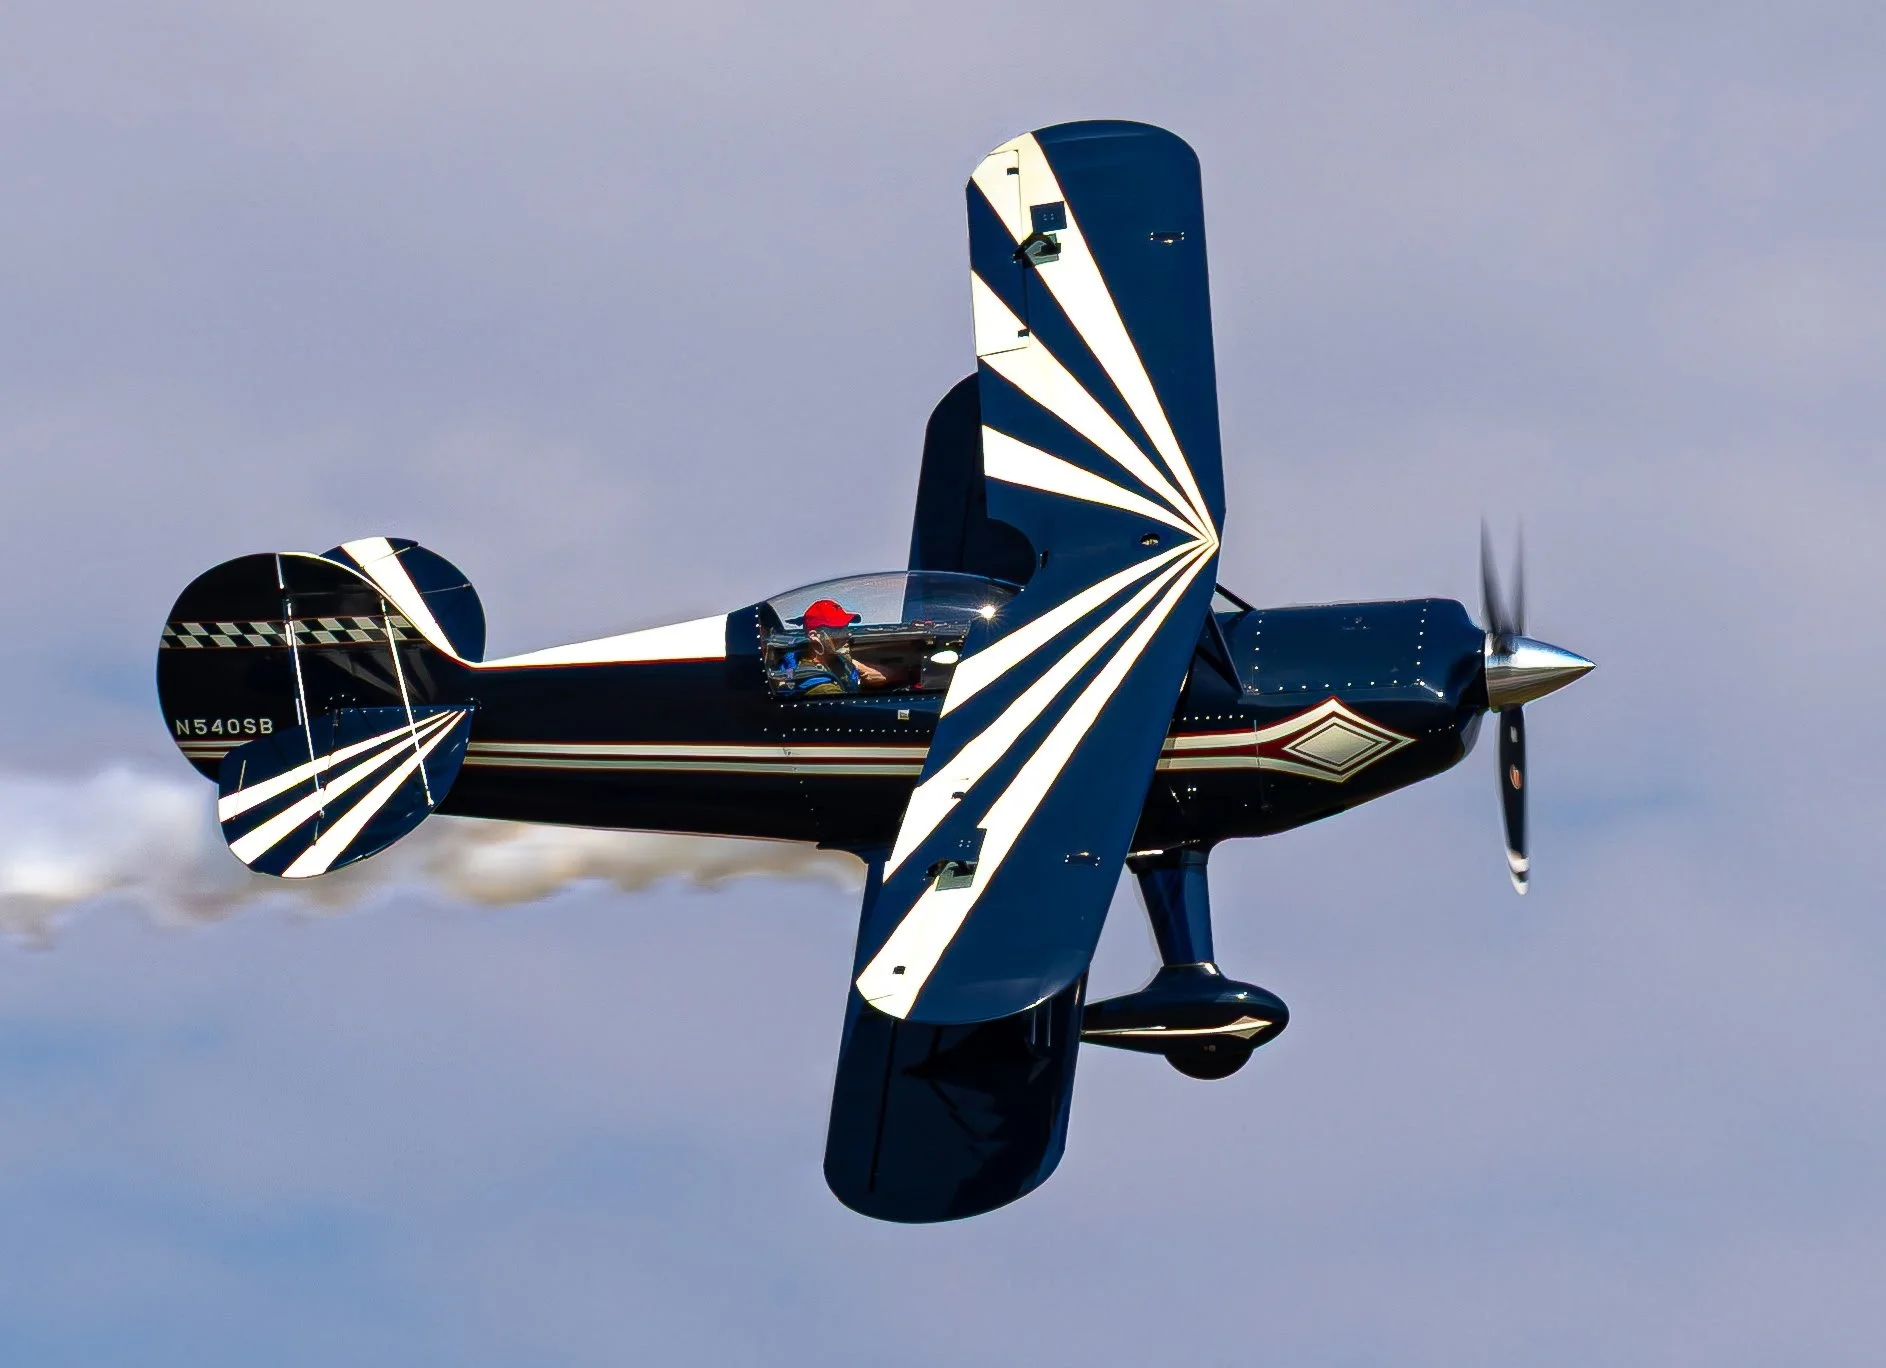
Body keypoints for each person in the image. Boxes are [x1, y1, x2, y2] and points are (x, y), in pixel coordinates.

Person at [781, 599, 889, 696]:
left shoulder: (833, 659)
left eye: (846, 627)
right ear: (814, 636)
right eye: (838, 630)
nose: (848, 634)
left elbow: (865, 672)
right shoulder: (821, 688)